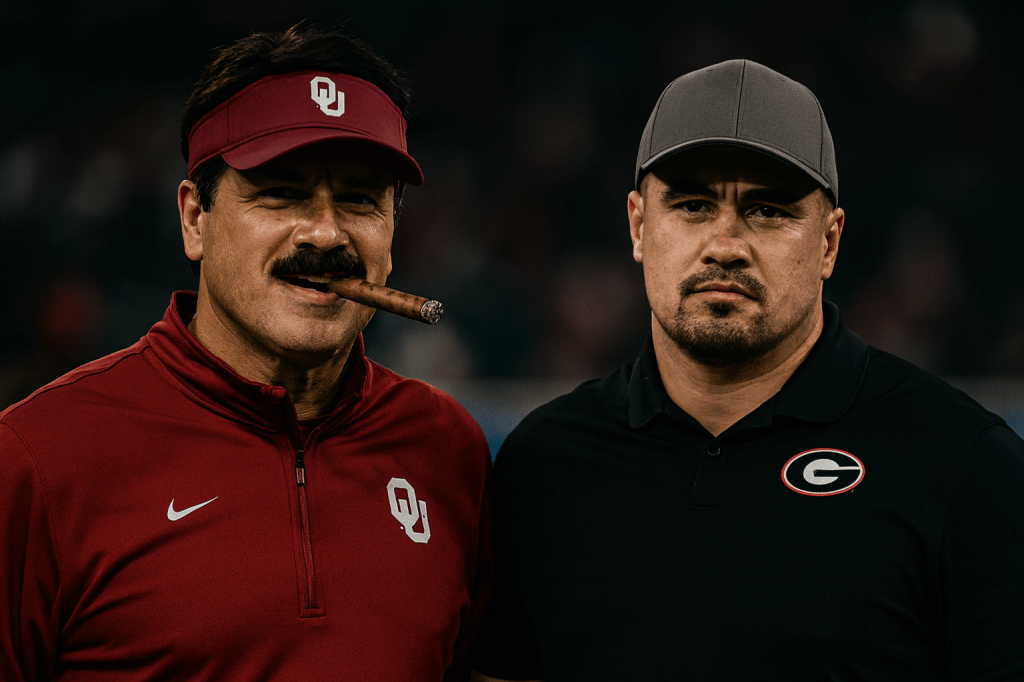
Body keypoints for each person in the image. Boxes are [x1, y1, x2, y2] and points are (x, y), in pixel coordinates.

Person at [470, 59, 1024, 681]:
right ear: (638, 225)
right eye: (692, 204)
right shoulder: (543, 465)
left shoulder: (961, 464)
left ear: (829, 242)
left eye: (769, 210)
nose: (726, 243)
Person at [0, 24, 491, 681]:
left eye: (360, 199)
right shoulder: (38, 458)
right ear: (193, 220)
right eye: (281, 192)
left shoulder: (448, 450)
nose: (325, 230)